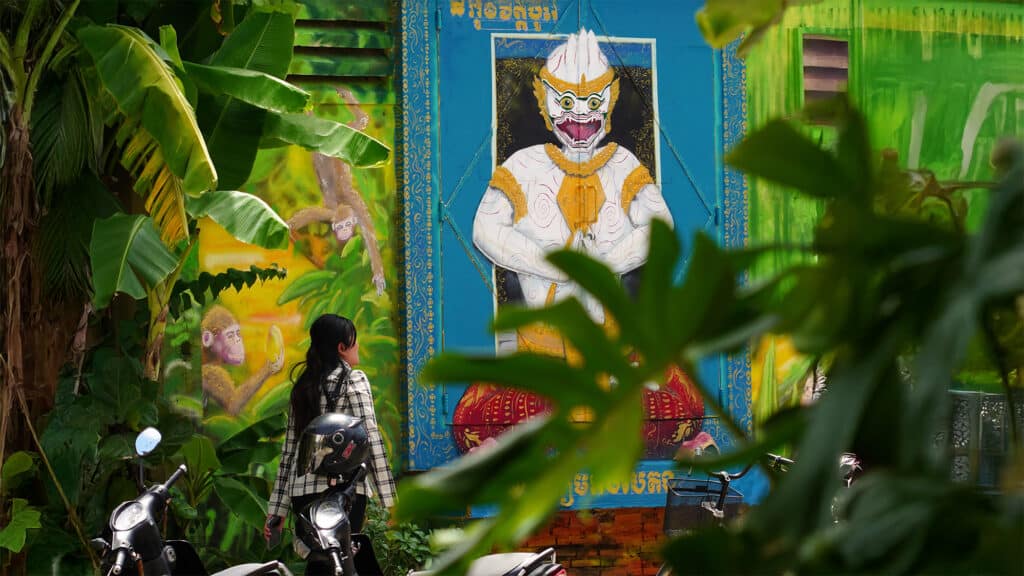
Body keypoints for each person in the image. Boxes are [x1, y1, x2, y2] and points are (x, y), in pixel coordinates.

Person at [264, 314, 396, 545]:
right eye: (354, 341)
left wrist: (277, 510)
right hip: (344, 492)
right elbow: (370, 438)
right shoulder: (353, 380)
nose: (358, 346)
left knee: (319, 558)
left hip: (302, 493)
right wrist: (390, 502)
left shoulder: (304, 387)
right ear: (342, 348)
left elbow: (290, 452)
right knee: (343, 558)